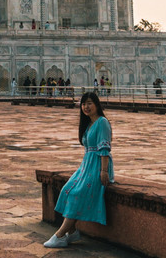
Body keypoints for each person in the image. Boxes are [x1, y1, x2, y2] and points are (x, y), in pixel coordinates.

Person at [44, 92, 114, 248]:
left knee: (76, 194)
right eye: (83, 104)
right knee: (67, 190)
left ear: (96, 104)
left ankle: (60, 235)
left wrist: (104, 171)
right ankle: (72, 231)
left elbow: (104, 149)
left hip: (97, 166)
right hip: (86, 166)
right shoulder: (89, 124)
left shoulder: (102, 122)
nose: (86, 107)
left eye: (89, 103)